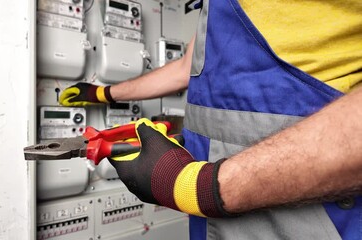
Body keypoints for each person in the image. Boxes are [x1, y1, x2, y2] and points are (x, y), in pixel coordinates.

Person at [60, 1, 362, 239]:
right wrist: (103, 93)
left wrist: (196, 187)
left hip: (312, 214)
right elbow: (186, 67)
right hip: (216, 212)